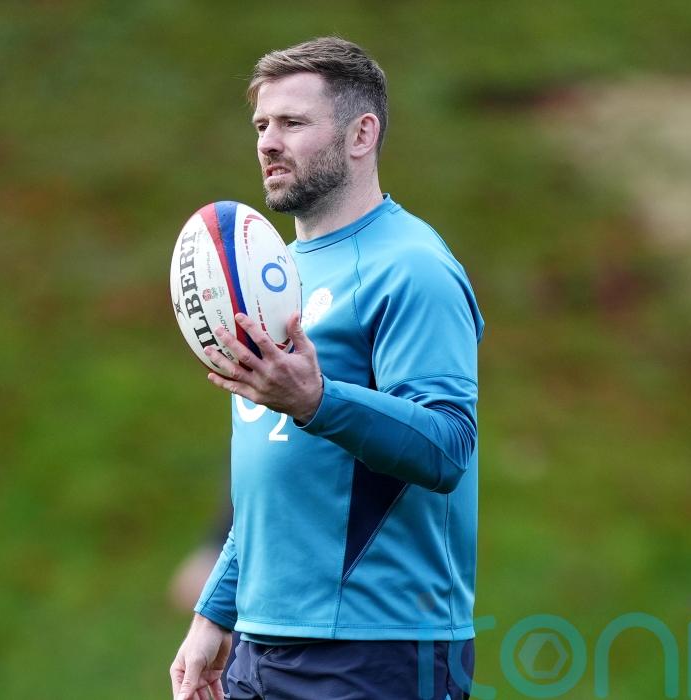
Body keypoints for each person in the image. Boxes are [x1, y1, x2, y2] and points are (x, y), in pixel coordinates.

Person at [169, 37, 485, 700]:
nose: (268, 142)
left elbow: (449, 445)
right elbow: (276, 473)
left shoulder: (411, 267)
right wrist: (216, 612)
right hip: (261, 641)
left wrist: (318, 401)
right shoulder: (270, 273)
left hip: (378, 646)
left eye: (292, 123)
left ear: (361, 133)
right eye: (261, 125)